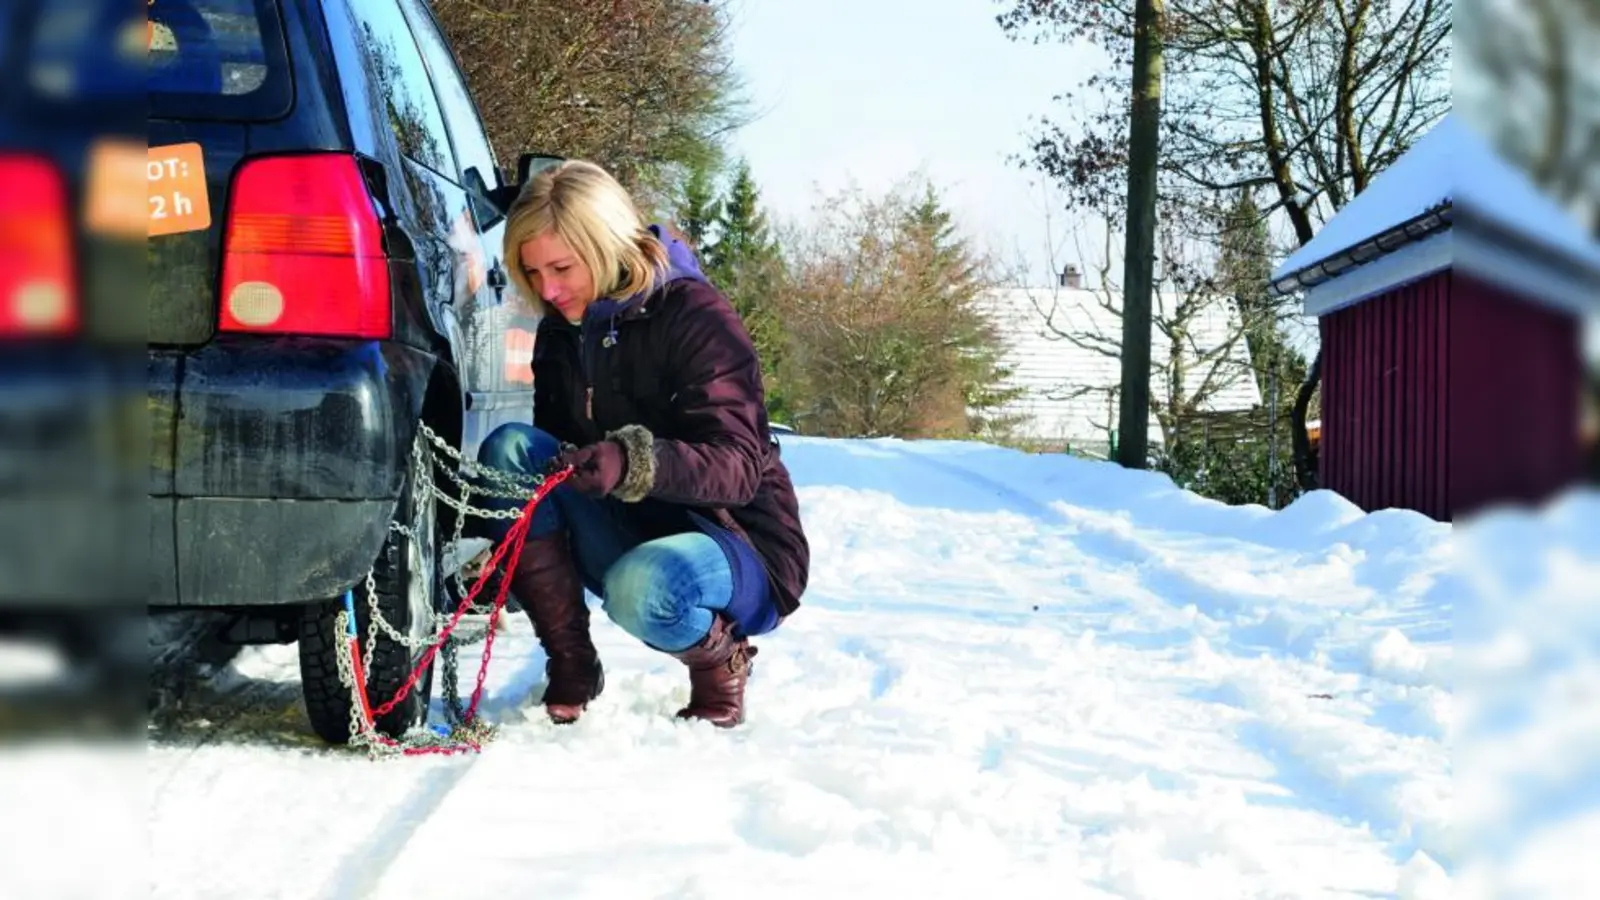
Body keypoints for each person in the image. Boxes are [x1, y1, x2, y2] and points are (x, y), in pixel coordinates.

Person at [471, 160, 809, 728]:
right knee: (510, 450)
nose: (549, 290)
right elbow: (545, 462)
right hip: (627, 527)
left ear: (605, 246)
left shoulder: (695, 315)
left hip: (734, 541)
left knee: (642, 587)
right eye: (534, 273)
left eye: (562, 267)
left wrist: (631, 461)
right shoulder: (561, 326)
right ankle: (572, 661)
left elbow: (739, 466)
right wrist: (502, 524)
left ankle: (721, 659)